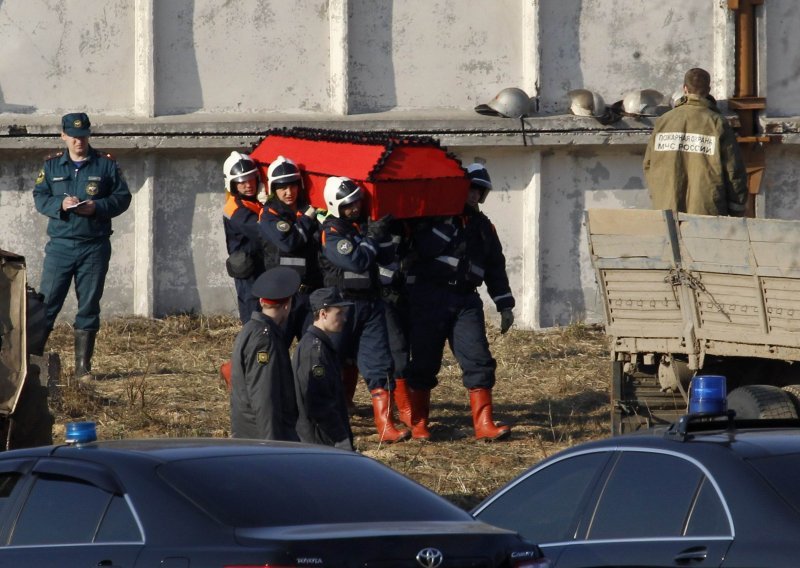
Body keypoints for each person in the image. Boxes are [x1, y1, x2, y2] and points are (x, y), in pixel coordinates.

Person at [403, 163, 514, 441]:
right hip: (429, 298)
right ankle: (418, 424)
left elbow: (495, 267)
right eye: (470, 189)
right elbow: (420, 249)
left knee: (478, 359)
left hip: (466, 300)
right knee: (425, 362)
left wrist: (505, 304)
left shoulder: (484, 227)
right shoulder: (432, 218)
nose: (475, 195)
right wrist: (448, 222)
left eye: (479, 191)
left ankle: (484, 425)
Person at [32, 112, 132, 379]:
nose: (79, 141)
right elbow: (40, 197)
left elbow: (122, 198)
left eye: (84, 136)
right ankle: (32, 366)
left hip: (94, 246)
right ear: (63, 135)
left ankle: (82, 370)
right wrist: (60, 206)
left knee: (89, 305)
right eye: (74, 136)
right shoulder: (52, 167)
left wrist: (97, 207)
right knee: (46, 305)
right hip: (61, 246)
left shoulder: (105, 165)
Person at [319, 176, 410, 443]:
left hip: (370, 304)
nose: (354, 208)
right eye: (348, 204)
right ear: (336, 206)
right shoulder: (331, 232)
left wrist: (383, 233)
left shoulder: (360, 228)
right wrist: (371, 237)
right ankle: (329, 420)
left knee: (380, 363)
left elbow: (386, 257)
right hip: (341, 305)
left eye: (357, 202)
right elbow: (356, 260)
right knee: (332, 364)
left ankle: (385, 424)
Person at [643, 67, 748, 216]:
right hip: (707, 213)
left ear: (684, 89)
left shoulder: (663, 121)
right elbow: (733, 171)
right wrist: (737, 209)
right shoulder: (717, 123)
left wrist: (660, 196)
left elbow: (648, 164)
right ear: (708, 90)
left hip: (667, 211)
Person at [229, 266, 301, 441]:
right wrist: (270, 444)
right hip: (261, 437)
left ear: (262, 301)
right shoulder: (264, 339)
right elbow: (264, 396)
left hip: (253, 434)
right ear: (287, 305)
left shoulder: (252, 329)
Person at [258, 155, 323, 342]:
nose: (289, 192)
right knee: (275, 349)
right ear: (273, 189)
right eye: (283, 188)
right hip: (282, 295)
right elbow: (289, 242)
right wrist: (307, 219)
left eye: (292, 186)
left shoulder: (310, 209)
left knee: (312, 350)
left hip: (309, 292)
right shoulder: (269, 213)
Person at [292, 287, 355, 450]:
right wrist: (340, 439)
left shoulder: (320, 346)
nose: (344, 318)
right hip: (321, 441)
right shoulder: (315, 352)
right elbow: (319, 402)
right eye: (339, 313)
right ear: (323, 313)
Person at [222, 151, 266, 324]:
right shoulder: (236, 209)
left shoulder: (251, 202)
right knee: (253, 317)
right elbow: (262, 230)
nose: (249, 185)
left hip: (259, 265)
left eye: (251, 179)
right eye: (242, 182)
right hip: (249, 271)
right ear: (233, 184)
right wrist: (268, 205)